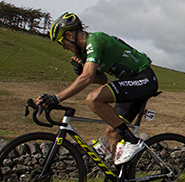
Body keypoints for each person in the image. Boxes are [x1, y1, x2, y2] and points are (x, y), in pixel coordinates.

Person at [37, 12, 158, 170]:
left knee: (93, 99)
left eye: (62, 43)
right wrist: (81, 70)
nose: (64, 47)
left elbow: (87, 78)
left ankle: (133, 142)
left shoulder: (94, 40)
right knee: (112, 132)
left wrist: (56, 98)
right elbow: (101, 79)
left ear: (68, 34)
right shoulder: (85, 52)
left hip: (144, 78)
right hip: (130, 83)